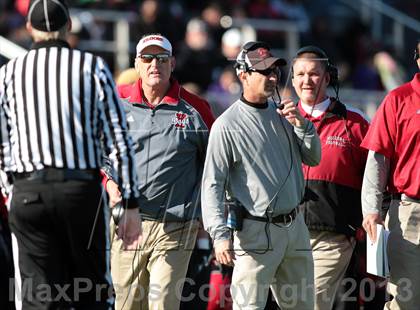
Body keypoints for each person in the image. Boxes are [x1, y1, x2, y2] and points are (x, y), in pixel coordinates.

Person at [0, 1, 141, 309]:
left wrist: (13, 191)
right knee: (89, 294)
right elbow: (119, 136)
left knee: (39, 297)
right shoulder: (91, 67)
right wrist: (130, 202)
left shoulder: (8, 73)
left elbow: (3, 143)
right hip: (79, 191)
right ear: (69, 27)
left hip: (28, 191)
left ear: (29, 29)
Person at [201, 41, 321, 309]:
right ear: (243, 74)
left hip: (295, 228)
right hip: (255, 232)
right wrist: (220, 235)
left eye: (275, 70)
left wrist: (303, 125)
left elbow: (314, 158)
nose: (272, 77)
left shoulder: (285, 115)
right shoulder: (226, 125)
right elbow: (212, 185)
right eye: (264, 71)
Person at [104, 34, 214, 310]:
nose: (155, 64)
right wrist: (109, 184)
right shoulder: (117, 101)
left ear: (173, 63)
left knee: (163, 303)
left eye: (162, 58)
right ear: (137, 64)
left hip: (175, 225)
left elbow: (216, 162)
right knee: (127, 305)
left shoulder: (195, 109)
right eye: (148, 58)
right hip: (128, 221)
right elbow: (101, 152)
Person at [291, 46, 370, 309]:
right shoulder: (278, 122)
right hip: (285, 233)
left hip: (333, 236)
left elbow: (374, 180)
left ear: (327, 78)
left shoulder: (355, 124)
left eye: (314, 74)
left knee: (310, 302)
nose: (306, 80)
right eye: (300, 74)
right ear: (291, 80)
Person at [361, 41, 420, 310]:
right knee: (406, 302)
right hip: (410, 214)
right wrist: (371, 210)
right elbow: (377, 161)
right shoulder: (398, 99)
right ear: (418, 60)